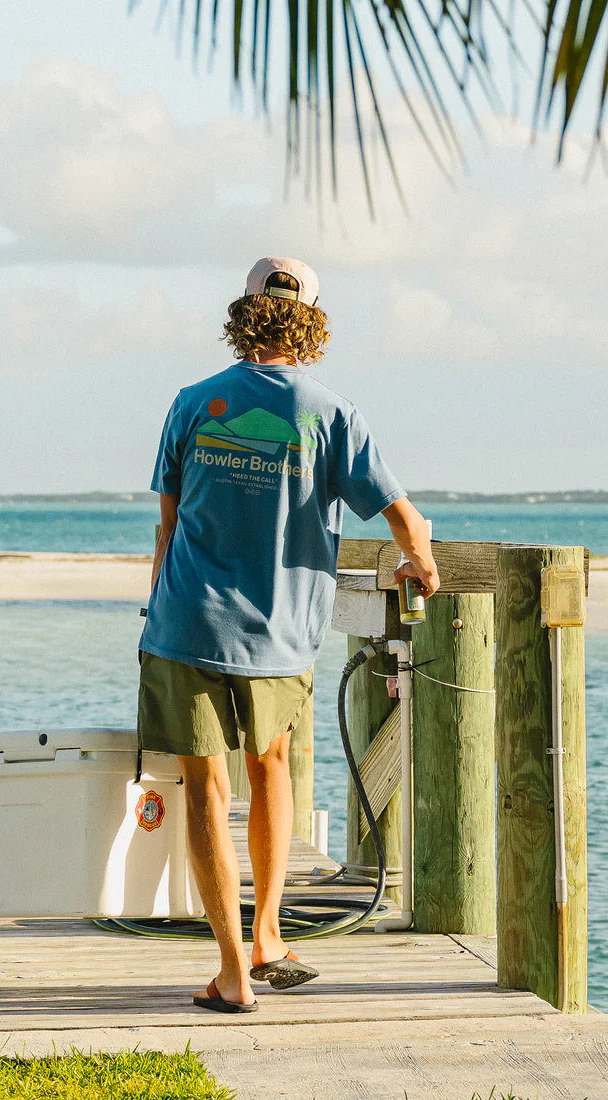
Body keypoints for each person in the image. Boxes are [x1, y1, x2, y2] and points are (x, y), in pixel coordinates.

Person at [138, 257, 439, 1013]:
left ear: (242, 314)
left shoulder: (192, 403)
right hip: (279, 635)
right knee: (271, 770)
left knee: (206, 789)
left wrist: (158, 609)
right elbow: (403, 516)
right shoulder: (331, 413)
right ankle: (267, 932)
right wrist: (422, 563)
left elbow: (168, 526)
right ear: (311, 321)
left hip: (185, 624)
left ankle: (234, 967)